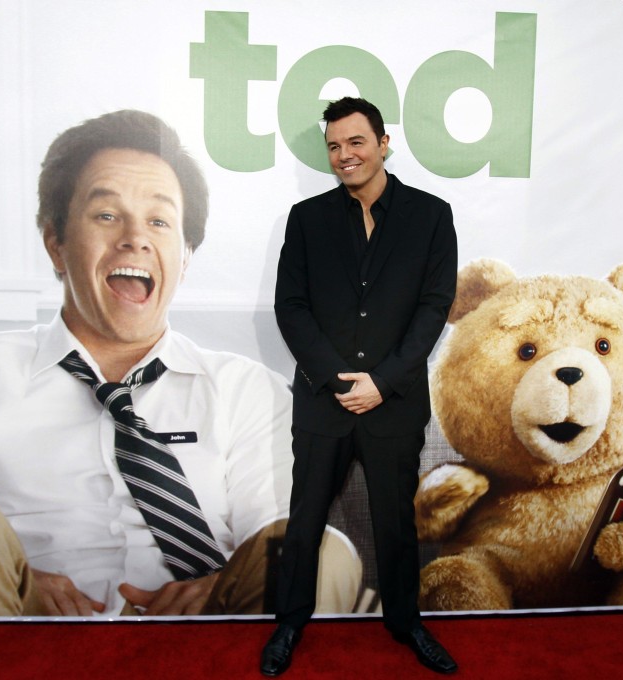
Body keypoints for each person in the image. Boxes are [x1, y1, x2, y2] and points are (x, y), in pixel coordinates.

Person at [0, 110, 360, 618]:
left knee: (318, 551)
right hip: (15, 635)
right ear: (55, 244)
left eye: (159, 220)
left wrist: (215, 589)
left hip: (206, 641)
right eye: (107, 215)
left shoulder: (247, 391)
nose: (135, 237)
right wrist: (10, 577)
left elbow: (278, 541)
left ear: (186, 255)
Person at [261, 97, 458, 675]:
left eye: (355, 143)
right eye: (334, 146)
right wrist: (334, 376)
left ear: (383, 143)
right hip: (324, 401)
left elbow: (433, 308)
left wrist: (383, 380)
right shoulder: (307, 219)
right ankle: (289, 623)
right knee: (304, 519)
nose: (344, 155)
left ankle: (406, 622)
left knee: (396, 521)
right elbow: (290, 307)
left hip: (393, 401)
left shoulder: (430, 215)